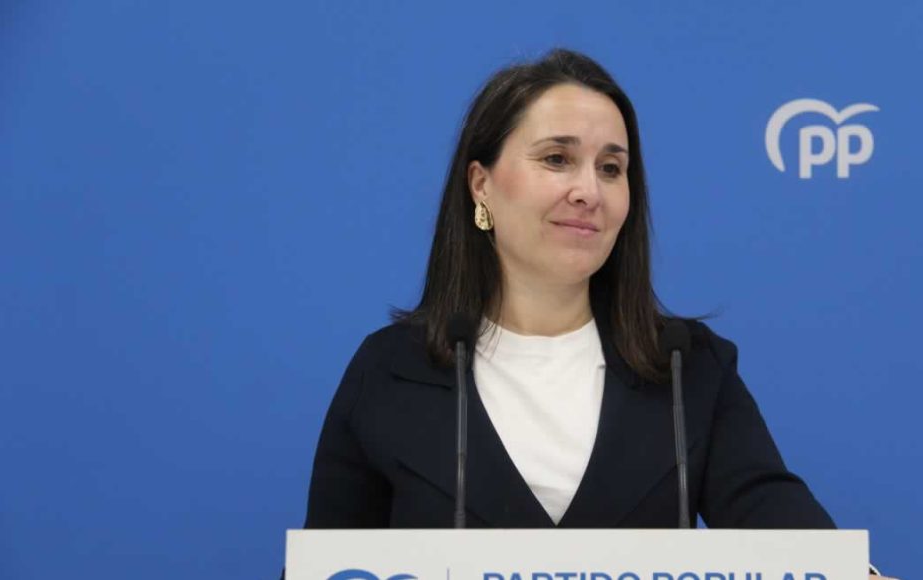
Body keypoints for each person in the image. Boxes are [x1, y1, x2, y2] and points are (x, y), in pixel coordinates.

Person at [300, 48, 891, 579]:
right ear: (481, 185)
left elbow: (780, 522)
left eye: (611, 168)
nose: (589, 191)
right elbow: (327, 564)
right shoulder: (389, 370)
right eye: (557, 158)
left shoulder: (686, 368)